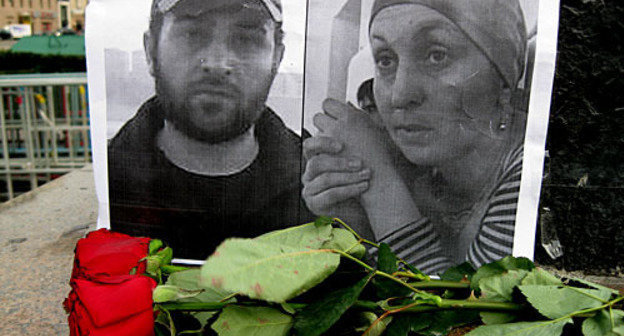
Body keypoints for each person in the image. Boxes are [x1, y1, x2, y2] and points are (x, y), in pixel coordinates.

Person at [302, 0, 528, 274]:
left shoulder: (532, 174)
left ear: (503, 81)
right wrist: (357, 220)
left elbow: (457, 311)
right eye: (385, 60)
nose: (400, 95)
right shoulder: (422, 170)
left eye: (437, 55)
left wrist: (377, 180)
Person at [108, 0, 314, 259]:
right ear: (151, 52)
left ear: (276, 59)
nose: (217, 64)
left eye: (246, 39)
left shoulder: (319, 187)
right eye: (192, 34)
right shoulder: (108, 185)